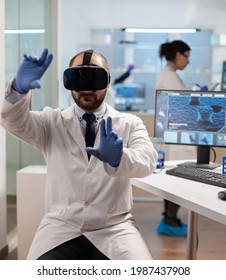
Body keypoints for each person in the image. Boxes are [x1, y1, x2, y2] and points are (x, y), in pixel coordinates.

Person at [0, 48, 157, 260]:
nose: (86, 88)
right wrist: (18, 90)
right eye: (78, 78)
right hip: (61, 226)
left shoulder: (130, 123)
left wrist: (120, 157)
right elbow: (12, 121)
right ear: (69, 82)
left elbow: (148, 161)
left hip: (114, 227)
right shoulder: (51, 122)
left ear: (108, 81)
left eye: (95, 78)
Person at [155, 40, 192, 237]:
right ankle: (169, 220)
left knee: (176, 180)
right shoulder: (168, 77)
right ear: (178, 55)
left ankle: (170, 219)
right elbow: (182, 106)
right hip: (177, 140)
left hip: (177, 138)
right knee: (177, 180)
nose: (188, 61)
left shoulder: (170, 76)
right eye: (187, 56)